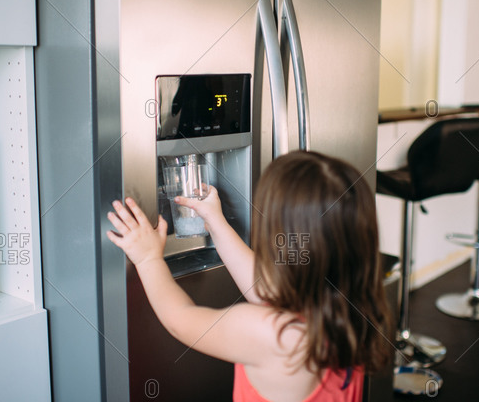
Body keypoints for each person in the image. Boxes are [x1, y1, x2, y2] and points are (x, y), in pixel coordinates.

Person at [107, 150, 392, 402]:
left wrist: (148, 258)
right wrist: (216, 222)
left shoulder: (274, 334)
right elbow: (263, 288)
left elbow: (181, 321)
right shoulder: (350, 309)